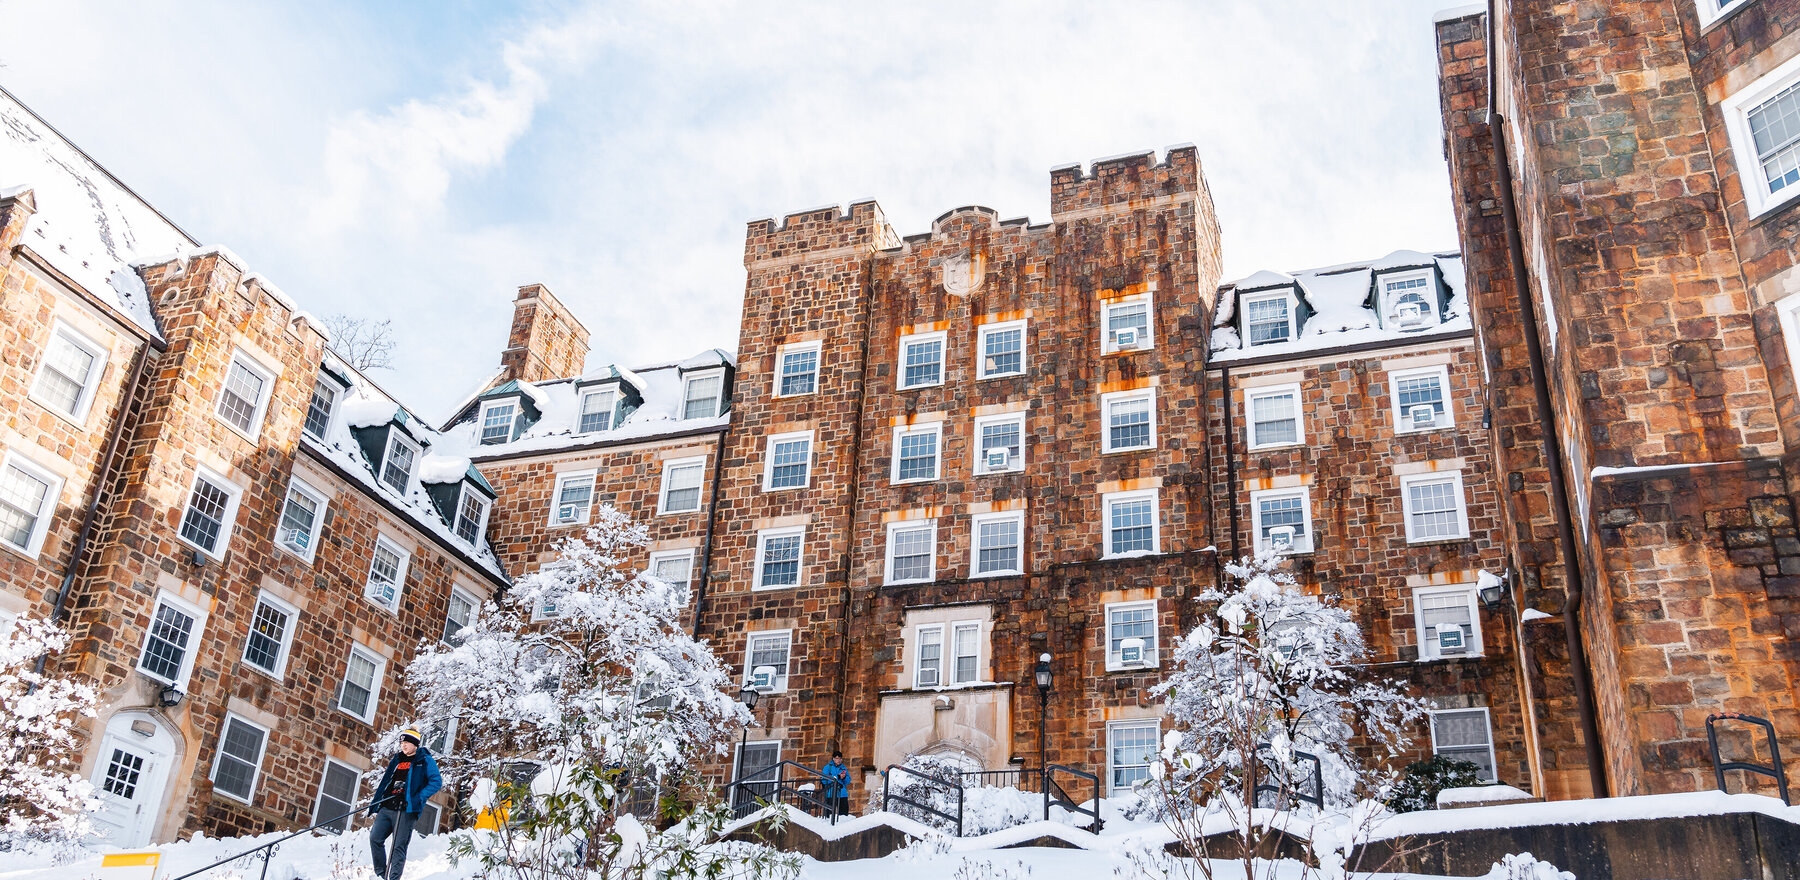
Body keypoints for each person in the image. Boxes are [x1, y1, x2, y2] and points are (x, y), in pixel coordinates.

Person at [368, 728, 443, 880]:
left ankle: (393, 878)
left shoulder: (424, 760)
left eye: (407, 742)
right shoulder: (397, 760)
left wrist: (418, 797)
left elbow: (436, 782)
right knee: (375, 838)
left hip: (406, 810)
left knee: (398, 847)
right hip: (387, 806)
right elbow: (387, 781)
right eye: (402, 742)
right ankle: (380, 875)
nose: (404, 745)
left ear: (415, 744)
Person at [822, 750, 851, 817]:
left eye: (840, 758)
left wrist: (844, 777)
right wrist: (838, 777)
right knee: (828, 815)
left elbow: (848, 781)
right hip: (831, 793)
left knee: (844, 814)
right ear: (833, 759)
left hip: (842, 793)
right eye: (837, 758)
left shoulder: (843, 768)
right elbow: (824, 780)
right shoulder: (827, 768)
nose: (839, 760)